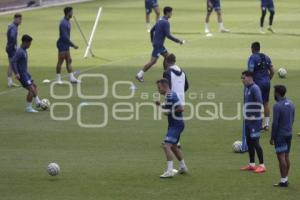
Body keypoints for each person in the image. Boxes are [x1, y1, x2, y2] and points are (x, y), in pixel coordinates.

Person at [136, 6, 185, 82]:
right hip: (159, 45)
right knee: (153, 61)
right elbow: (168, 35)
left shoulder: (160, 20)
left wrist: (152, 41)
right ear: (168, 13)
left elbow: (152, 30)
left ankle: (166, 74)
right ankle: (139, 74)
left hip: (158, 44)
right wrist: (178, 41)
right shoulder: (166, 22)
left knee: (167, 57)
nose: (171, 14)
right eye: (171, 13)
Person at [155, 78, 188, 178]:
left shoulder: (170, 95)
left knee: (166, 146)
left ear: (165, 86)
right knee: (173, 146)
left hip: (176, 124)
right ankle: (183, 167)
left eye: (159, 87)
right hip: (176, 124)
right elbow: (170, 106)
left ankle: (169, 171)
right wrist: (160, 105)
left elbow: (181, 108)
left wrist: (170, 112)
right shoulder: (168, 95)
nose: (158, 90)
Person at [240, 71, 266, 173]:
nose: (242, 80)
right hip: (247, 120)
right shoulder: (247, 88)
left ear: (250, 77)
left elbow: (260, 103)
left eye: (243, 78)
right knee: (249, 142)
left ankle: (262, 165)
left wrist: (254, 116)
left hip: (254, 121)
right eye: (241, 78)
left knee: (255, 142)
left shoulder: (255, 88)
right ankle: (251, 164)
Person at [270, 85, 295, 187]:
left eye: (274, 92)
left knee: (281, 158)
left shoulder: (277, 106)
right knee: (286, 156)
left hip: (280, 135)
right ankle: (285, 178)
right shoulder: (291, 103)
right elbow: (292, 118)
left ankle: (283, 181)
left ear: (277, 93)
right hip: (289, 133)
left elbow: (275, 123)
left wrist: (272, 137)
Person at [248, 42, 275, 130]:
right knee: (265, 103)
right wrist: (268, 79)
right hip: (267, 83)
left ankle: (258, 124)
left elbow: (250, 72)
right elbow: (272, 71)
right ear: (259, 48)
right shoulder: (266, 57)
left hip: (257, 84)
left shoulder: (252, 58)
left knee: (256, 104)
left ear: (252, 49)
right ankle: (266, 124)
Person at [11, 34, 42, 113]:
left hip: (26, 73)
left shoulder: (24, 50)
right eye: (29, 43)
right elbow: (13, 61)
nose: (30, 45)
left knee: (34, 86)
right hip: (22, 75)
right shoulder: (20, 51)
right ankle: (29, 108)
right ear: (25, 42)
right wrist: (16, 73)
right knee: (31, 89)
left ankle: (38, 102)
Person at [56, 7, 79, 84]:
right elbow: (64, 37)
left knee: (69, 60)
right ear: (68, 12)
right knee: (60, 61)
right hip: (62, 44)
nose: (72, 13)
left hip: (66, 44)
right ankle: (58, 79)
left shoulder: (67, 21)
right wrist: (73, 45)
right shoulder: (63, 23)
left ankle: (72, 78)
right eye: (72, 12)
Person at [6, 13, 22, 88]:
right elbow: (12, 36)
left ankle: (10, 82)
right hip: (11, 48)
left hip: (9, 47)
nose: (20, 21)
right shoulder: (13, 27)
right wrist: (15, 46)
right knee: (13, 64)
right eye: (19, 19)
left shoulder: (13, 25)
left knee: (11, 64)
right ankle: (12, 80)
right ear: (15, 19)